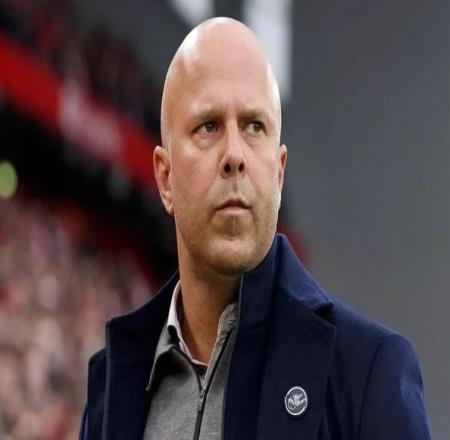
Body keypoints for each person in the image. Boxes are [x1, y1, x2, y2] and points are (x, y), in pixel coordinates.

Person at [79, 17, 431, 440]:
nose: (234, 155)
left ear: (279, 174)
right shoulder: (111, 386)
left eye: (254, 126)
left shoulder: (367, 373)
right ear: (165, 177)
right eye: (209, 126)